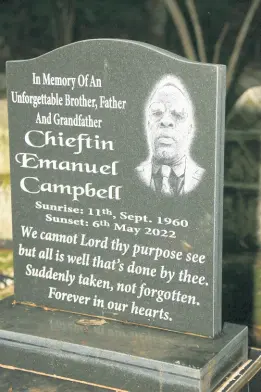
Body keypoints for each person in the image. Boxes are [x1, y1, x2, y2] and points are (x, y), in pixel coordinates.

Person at [136, 75, 205, 197]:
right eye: (157, 113)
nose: (166, 120)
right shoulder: (134, 175)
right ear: (148, 125)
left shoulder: (204, 178)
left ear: (190, 129)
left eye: (178, 114)